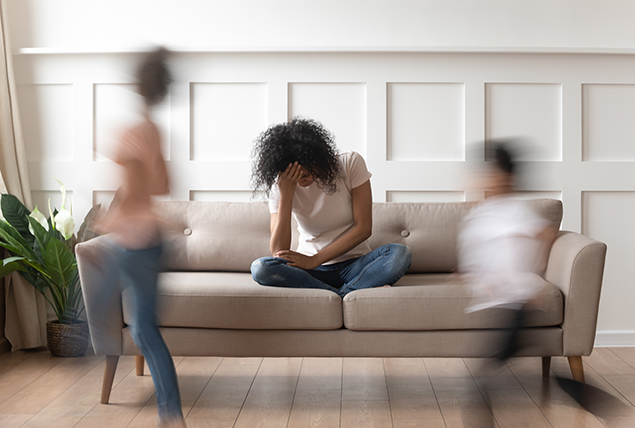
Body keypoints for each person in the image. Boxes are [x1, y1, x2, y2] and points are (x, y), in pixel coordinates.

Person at [86, 48, 186, 428]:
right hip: (150, 241)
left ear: (136, 84)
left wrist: (108, 228)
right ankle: (170, 414)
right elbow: (162, 184)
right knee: (144, 329)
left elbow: (135, 192)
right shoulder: (153, 130)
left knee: (103, 314)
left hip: (137, 242)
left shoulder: (130, 133)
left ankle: (171, 414)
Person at [250, 117, 411, 298]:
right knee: (260, 268)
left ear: (317, 158)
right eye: (296, 176)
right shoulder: (281, 186)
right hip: (312, 271)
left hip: (356, 265)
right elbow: (278, 251)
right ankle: (345, 294)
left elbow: (364, 228)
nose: (302, 180)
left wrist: (315, 259)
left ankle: (335, 294)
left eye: (306, 172)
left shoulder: (350, 163)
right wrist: (286, 196)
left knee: (400, 253)